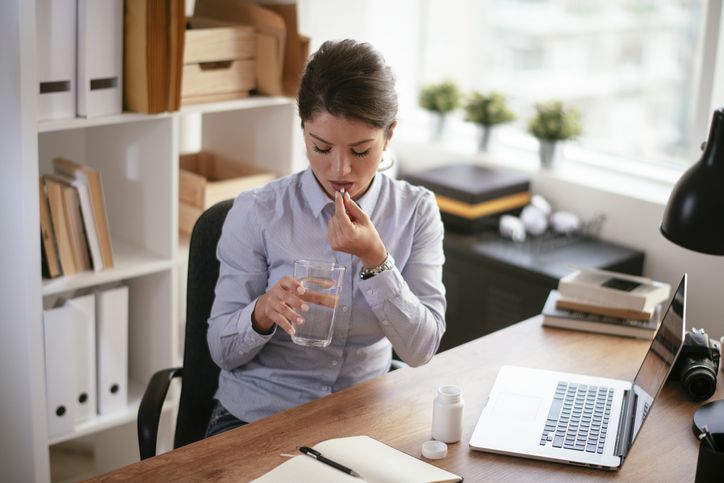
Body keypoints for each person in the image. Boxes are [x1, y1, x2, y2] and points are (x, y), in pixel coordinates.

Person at [205, 39, 446, 436]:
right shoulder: (258, 212)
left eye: (361, 150)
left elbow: (421, 349)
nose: (340, 168)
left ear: (389, 136)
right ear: (303, 131)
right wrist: (264, 311)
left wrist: (376, 261)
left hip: (362, 416)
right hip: (259, 415)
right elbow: (221, 351)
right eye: (321, 147)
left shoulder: (416, 211)